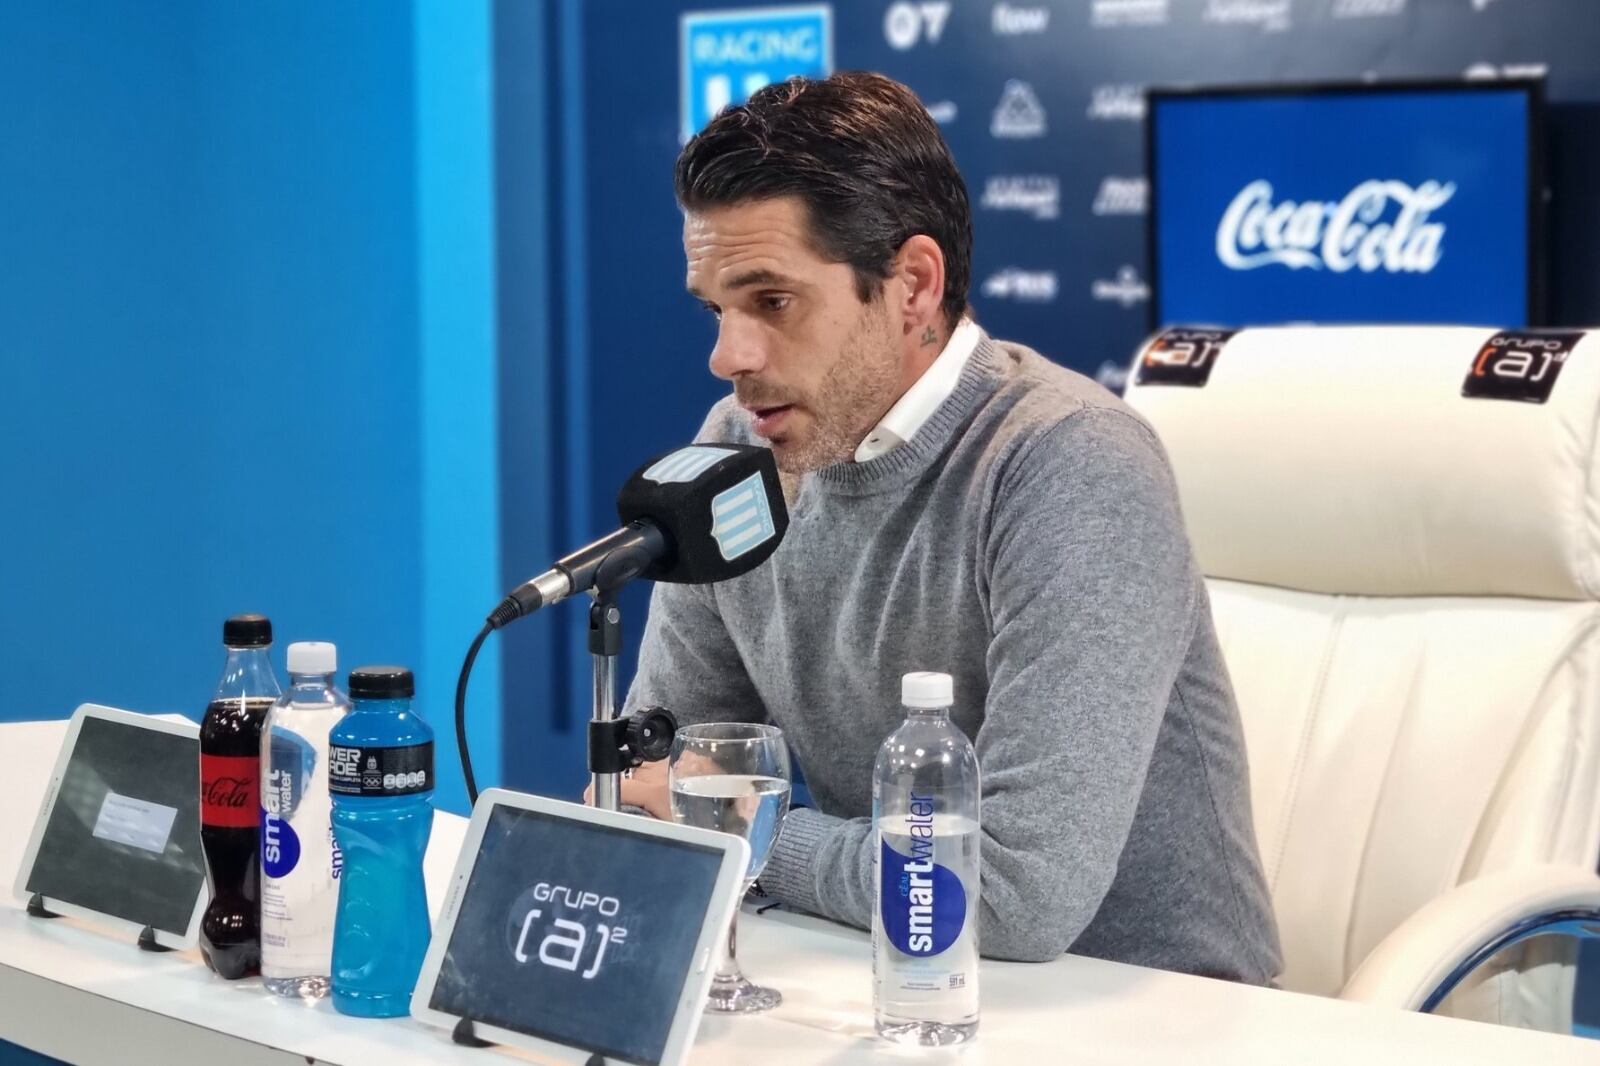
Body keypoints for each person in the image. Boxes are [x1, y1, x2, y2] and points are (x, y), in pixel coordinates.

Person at [614, 71, 1282, 981]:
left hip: (1142, 1011)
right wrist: (690, 810)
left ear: (914, 285)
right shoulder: (739, 450)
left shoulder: (1069, 461)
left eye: (771, 301)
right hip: (896, 976)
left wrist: (743, 829)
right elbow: (658, 781)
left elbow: (1010, 891)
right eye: (715, 310)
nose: (728, 357)